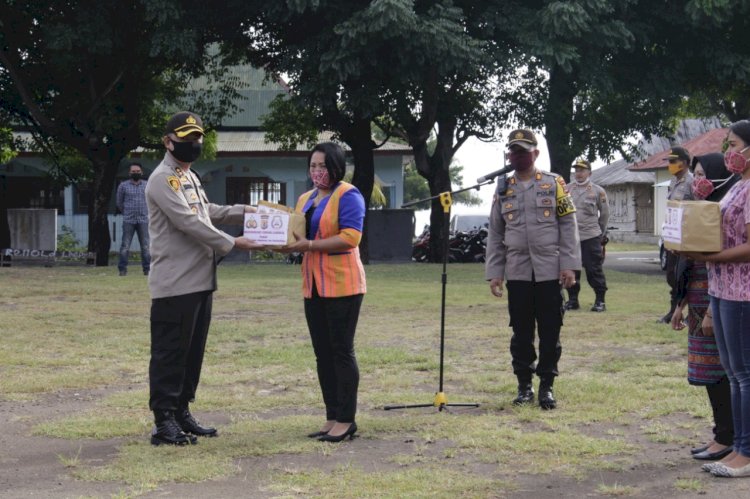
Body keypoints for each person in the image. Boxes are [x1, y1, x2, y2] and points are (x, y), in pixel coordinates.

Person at [145, 111, 263, 446]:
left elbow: (206, 211)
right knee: (169, 352)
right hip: (175, 282)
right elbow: (188, 222)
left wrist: (246, 210)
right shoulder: (161, 179)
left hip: (200, 279)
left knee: (191, 352)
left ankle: (181, 411)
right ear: (168, 142)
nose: (194, 144)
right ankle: (163, 420)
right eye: (186, 139)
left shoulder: (187, 176)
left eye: (197, 138)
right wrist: (233, 242)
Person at [485, 129, 581, 410]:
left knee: (551, 330)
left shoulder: (554, 183)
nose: (517, 156)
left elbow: (568, 226)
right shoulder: (503, 187)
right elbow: (495, 232)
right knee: (521, 331)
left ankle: (546, 386)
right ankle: (524, 385)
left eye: (523, 151)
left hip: (550, 269)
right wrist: (495, 272)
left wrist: (570, 266)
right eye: (513, 151)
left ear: (535, 154)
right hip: (517, 271)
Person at [282, 142, 366, 442]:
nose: (318, 171)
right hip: (313, 285)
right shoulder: (305, 199)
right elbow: (295, 235)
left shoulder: (348, 194)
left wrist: (310, 246)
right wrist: (281, 242)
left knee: (341, 350)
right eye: (313, 166)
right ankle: (331, 416)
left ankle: (347, 419)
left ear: (336, 167)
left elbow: (351, 237)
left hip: (343, 284)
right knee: (322, 354)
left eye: (323, 166)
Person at [683, 120, 750, 477]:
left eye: (735, 143)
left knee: (743, 375)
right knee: (734, 374)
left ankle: (746, 451)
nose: (730, 152)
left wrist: (710, 258)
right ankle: (737, 446)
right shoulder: (738, 187)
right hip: (722, 289)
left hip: (743, 292)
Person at [670, 152, 737, 463]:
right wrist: (680, 305)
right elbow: (691, 263)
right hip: (697, 301)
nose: (698, 181)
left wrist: (710, 308)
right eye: (695, 175)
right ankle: (720, 433)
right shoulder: (701, 210)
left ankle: (728, 436)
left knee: (724, 373)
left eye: (702, 174)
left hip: (719, 300)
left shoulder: (728, 212)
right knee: (709, 374)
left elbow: (721, 268)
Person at [564, 159, 609, 312]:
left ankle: (600, 301)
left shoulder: (598, 191)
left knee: (593, 269)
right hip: (570, 237)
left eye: (582, 170)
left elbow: (604, 215)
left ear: (589, 172)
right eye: (576, 170)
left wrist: (600, 233)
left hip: (590, 235)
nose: (579, 173)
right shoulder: (567, 189)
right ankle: (572, 300)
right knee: (571, 269)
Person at [660, 146, 694, 323]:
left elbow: (697, 210)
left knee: (685, 275)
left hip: (687, 238)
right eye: (669, 162)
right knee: (671, 275)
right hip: (672, 235)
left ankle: (687, 311)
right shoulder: (673, 182)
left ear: (686, 163)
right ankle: (673, 310)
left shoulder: (692, 182)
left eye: (674, 162)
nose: (670, 165)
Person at [116, 162, 150, 276]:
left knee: (145, 246)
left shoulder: (147, 185)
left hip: (143, 220)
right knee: (125, 245)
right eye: (133, 171)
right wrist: (126, 212)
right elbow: (119, 202)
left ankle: (147, 269)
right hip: (128, 220)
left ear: (141, 172)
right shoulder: (123, 186)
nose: (136, 173)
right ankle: (122, 270)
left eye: (137, 171)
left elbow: (151, 201)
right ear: (129, 173)